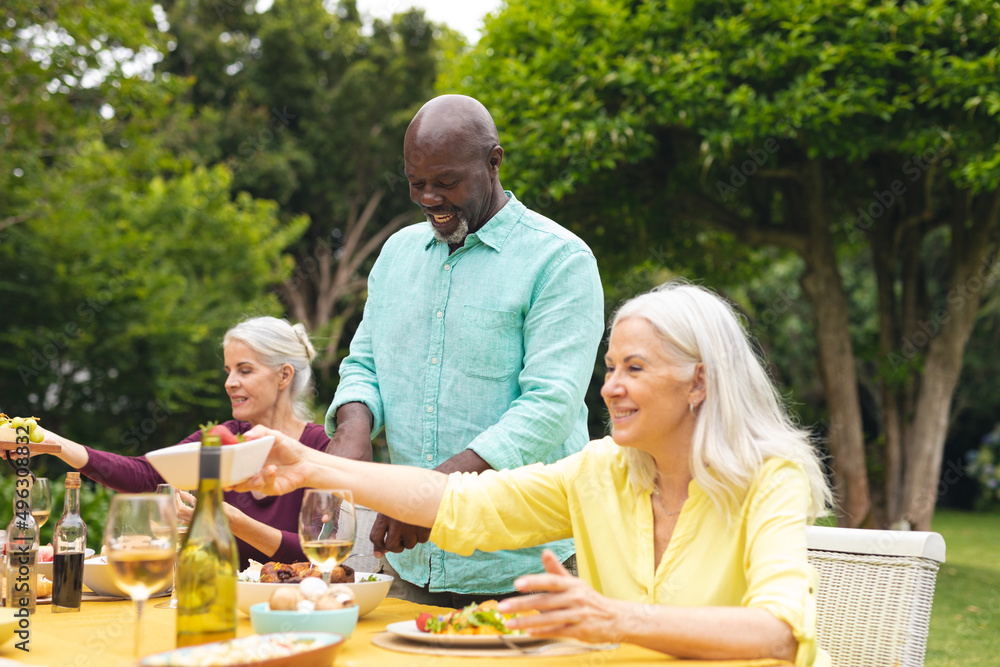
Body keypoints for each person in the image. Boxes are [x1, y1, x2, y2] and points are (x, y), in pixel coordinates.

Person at [235, 282, 833, 665]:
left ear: (698, 382)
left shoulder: (768, 476)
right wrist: (311, 464)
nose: (611, 387)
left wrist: (613, 618)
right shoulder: (600, 470)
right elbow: (456, 502)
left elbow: (778, 631)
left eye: (634, 368)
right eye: (610, 367)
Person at [326, 94, 604, 605]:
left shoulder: (560, 260)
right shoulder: (397, 254)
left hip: (528, 567)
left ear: (493, 162)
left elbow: (548, 407)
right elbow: (364, 364)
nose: (429, 197)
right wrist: (352, 428)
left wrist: (431, 497)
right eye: (416, 183)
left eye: (447, 182)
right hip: (413, 566)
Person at [44, 316, 331, 568]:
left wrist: (235, 522)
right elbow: (145, 474)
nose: (229, 382)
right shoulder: (223, 438)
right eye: (228, 371)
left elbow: (321, 551)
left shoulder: (321, 446)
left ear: (284, 375)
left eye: (244, 370)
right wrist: (56, 444)